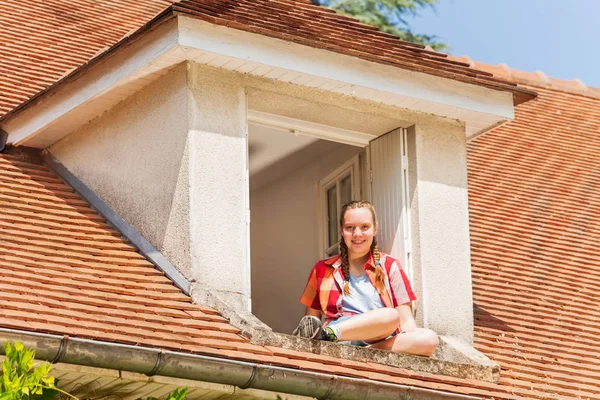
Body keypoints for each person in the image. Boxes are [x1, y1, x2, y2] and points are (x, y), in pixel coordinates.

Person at [293, 200, 438, 357]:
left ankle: (365, 354)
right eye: (350, 228)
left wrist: (411, 342)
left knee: (428, 338)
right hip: (342, 337)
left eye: (364, 227)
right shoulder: (322, 269)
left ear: (375, 229)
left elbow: (406, 322)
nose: (357, 234)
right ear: (342, 230)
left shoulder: (390, 266)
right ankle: (329, 334)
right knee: (390, 315)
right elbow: (310, 322)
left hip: (381, 339)